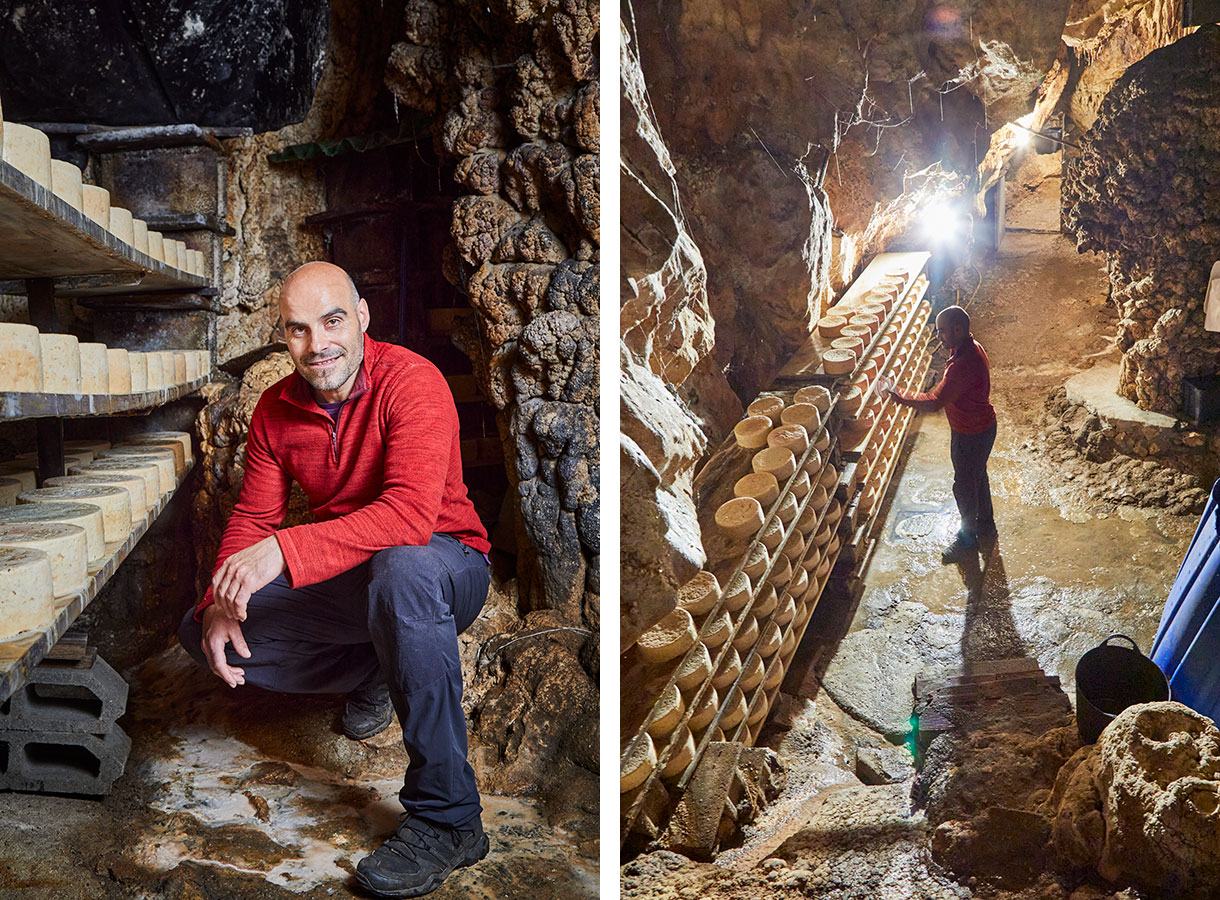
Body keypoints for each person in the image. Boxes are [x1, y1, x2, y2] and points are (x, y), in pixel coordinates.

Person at [178, 261, 492, 898]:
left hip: (443, 563)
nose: (318, 344)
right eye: (298, 330)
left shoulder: (413, 381)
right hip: (353, 575)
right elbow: (253, 515)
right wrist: (221, 597)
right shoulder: (275, 410)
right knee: (204, 630)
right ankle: (376, 666)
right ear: (284, 336)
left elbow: (408, 517)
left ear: (363, 317)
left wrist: (283, 552)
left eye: (333, 320)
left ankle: (449, 817)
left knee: (400, 570)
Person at [886, 305, 997, 564]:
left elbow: (934, 402)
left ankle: (967, 541)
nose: (939, 337)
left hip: (970, 433)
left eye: (942, 332)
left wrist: (899, 395)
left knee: (964, 486)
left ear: (958, 329)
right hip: (982, 427)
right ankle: (986, 525)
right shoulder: (971, 346)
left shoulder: (963, 364)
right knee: (977, 476)